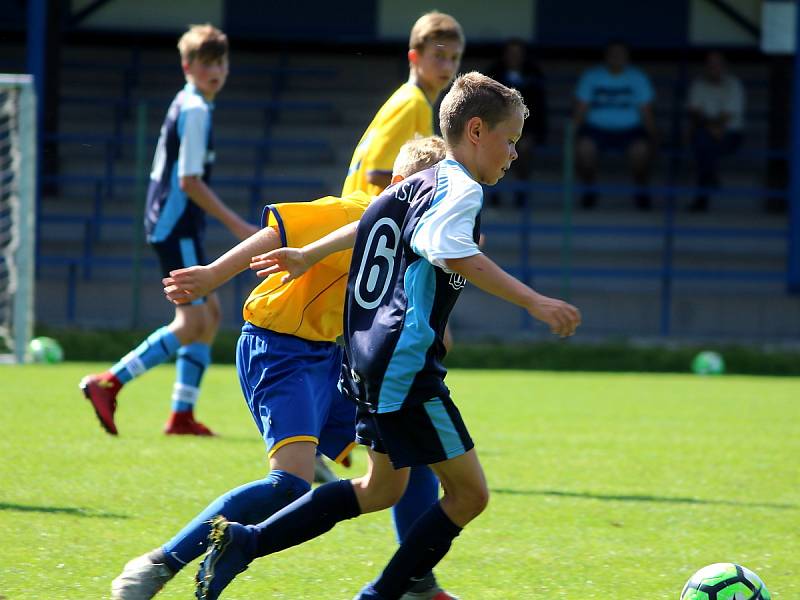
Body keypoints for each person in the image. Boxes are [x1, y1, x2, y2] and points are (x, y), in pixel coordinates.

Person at [193, 71, 581, 600]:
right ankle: (381, 596)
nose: (513, 154)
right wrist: (534, 300)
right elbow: (455, 253)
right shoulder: (461, 189)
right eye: (509, 140)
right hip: (403, 367)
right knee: (469, 495)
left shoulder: (418, 184)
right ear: (475, 130)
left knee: (382, 488)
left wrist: (308, 253)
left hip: (363, 361)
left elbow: (371, 214)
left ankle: (245, 542)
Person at [109, 137, 449, 600]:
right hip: (277, 350)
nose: (429, 204)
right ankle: (159, 564)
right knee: (288, 483)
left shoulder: (413, 240)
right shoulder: (353, 212)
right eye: (423, 192)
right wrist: (212, 274)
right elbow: (280, 232)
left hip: (331, 361)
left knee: (412, 451)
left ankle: (414, 583)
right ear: (396, 185)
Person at [338, 11, 465, 599]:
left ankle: (415, 575)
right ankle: (410, 578)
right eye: (438, 56)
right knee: (400, 430)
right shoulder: (414, 106)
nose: (446, 66)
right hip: (378, 269)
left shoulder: (411, 102)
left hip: (373, 262)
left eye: (453, 58)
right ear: (414, 57)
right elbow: (382, 188)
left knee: (396, 445)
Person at [79, 24, 257, 436]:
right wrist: (238, 225)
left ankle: (181, 415)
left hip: (175, 223)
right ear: (188, 66)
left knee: (208, 315)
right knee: (193, 321)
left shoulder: (191, 102)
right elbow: (188, 182)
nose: (216, 70)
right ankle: (109, 382)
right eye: (207, 63)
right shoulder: (195, 109)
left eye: (221, 62)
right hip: (175, 224)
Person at [572, 41, 658, 210]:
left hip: (631, 130)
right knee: (584, 149)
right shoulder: (591, 76)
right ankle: (590, 190)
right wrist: (572, 133)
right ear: (606, 56)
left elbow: (646, 112)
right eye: (613, 53)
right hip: (596, 129)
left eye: (621, 54)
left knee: (641, 151)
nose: (617, 57)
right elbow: (581, 109)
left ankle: (641, 190)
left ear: (627, 57)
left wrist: (654, 136)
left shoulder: (638, 77)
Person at [486, 38, 548, 208]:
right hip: (496, 127)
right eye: (510, 53)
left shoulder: (534, 74)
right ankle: (494, 190)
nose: (514, 57)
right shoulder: (493, 74)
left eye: (518, 54)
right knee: (493, 146)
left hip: (525, 130)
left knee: (525, 147)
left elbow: (539, 109)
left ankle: (522, 191)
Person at [686, 50, 745, 212]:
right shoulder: (698, 84)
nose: (714, 67)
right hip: (705, 132)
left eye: (718, 63)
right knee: (703, 142)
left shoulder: (734, 84)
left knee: (702, 144)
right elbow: (693, 113)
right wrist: (711, 127)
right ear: (705, 66)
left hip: (731, 135)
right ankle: (710, 177)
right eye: (710, 64)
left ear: (725, 66)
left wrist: (712, 126)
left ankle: (702, 197)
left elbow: (727, 116)